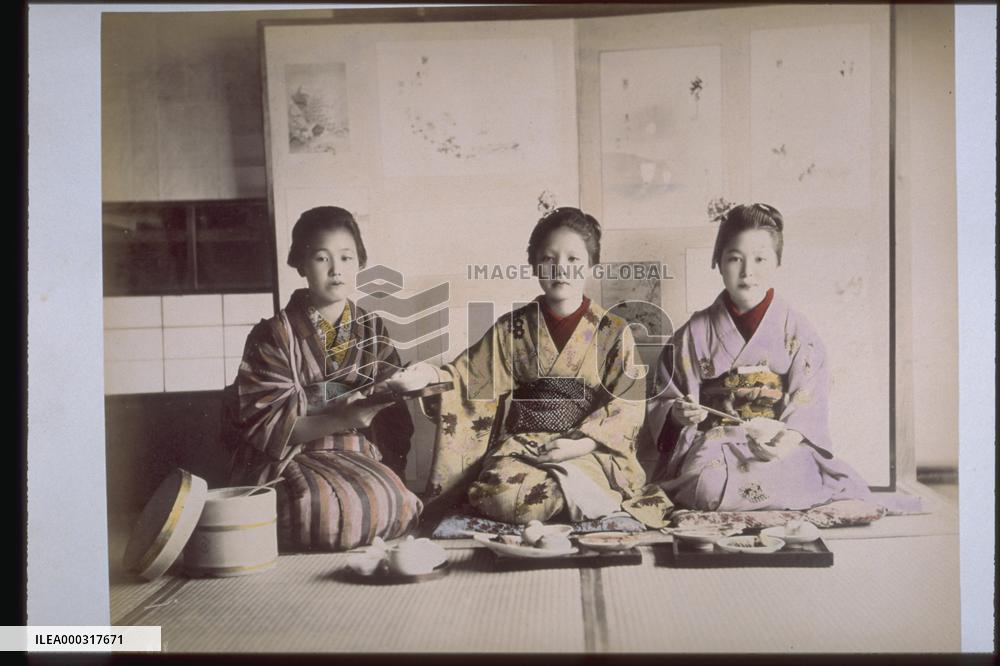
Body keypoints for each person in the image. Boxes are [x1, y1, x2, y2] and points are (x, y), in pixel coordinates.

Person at [387, 207, 672, 527]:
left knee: (577, 487)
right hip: (523, 447)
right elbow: (468, 379)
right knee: (503, 495)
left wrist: (582, 443)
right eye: (548, 259)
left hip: (584, 448)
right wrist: (428, 374)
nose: (560, 269)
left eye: (573, 260)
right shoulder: (513, 329)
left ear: (591, 265)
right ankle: (576, 508)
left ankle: (576, 500)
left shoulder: (613, 331)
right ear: (534, 264)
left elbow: (627, 404)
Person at [645, 203, 907, 512]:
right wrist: (678, 415)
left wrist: (785, 441)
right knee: (707, 487)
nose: (747, 272)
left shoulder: (797, 328)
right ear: (717, 261)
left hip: (776, 442)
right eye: (734, 259)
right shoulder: (694, 333)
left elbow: (807, 401)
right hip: (718, 441)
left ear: (777, 262)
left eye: (759, 259)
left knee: (799, 475)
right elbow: (665, 399)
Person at [226, 206, 422, 550]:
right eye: (321, 258)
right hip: (292, 455)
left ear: (360, 262)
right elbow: (267, 422)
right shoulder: (275, 334)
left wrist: (401, 387)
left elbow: (391, 401)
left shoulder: (371, 328)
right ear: (300, 264)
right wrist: (341, 416)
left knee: (395, 499)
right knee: (316, 507)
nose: (336, 270)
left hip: (355, 451)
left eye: (346, 258)